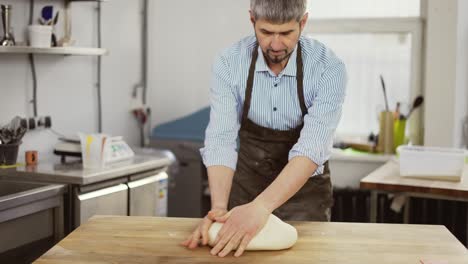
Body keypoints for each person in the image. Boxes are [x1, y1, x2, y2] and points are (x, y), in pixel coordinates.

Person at [181, 0, 347, 257]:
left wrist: (261, 208)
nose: (276, 45)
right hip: (246, 189)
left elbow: (312, 147)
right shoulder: (229, 63)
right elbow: (221, 139)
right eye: (266, 32)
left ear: (302, 23)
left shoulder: (328, 68)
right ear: (252, 21)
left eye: (287, 33)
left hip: (305, 196)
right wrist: (220, 210)